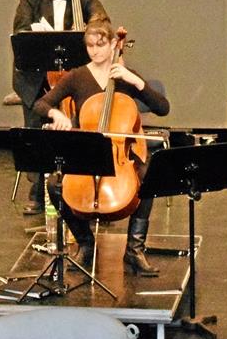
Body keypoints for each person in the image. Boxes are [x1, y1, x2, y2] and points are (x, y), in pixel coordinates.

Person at [33, 18, 169, 277]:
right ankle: (85, 243)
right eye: (90, 46)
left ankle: (134, 250)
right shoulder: (77, 76)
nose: (95, 51)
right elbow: (41, 104)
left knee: (148, 178)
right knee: (54, 185)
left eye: (100, 45)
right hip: (87, 152)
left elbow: (163, 108)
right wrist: (55, 114)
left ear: (113, 44)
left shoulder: (126, 77)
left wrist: (136, 81)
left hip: (121, 153)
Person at [12, 0, 108, 215]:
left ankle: (83, 189)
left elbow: (100, 20)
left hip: (72, 71)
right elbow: (19, 30)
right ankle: (37, 193)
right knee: (35, 127)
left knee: (82, 124)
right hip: (36, 74)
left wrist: (88, 28)